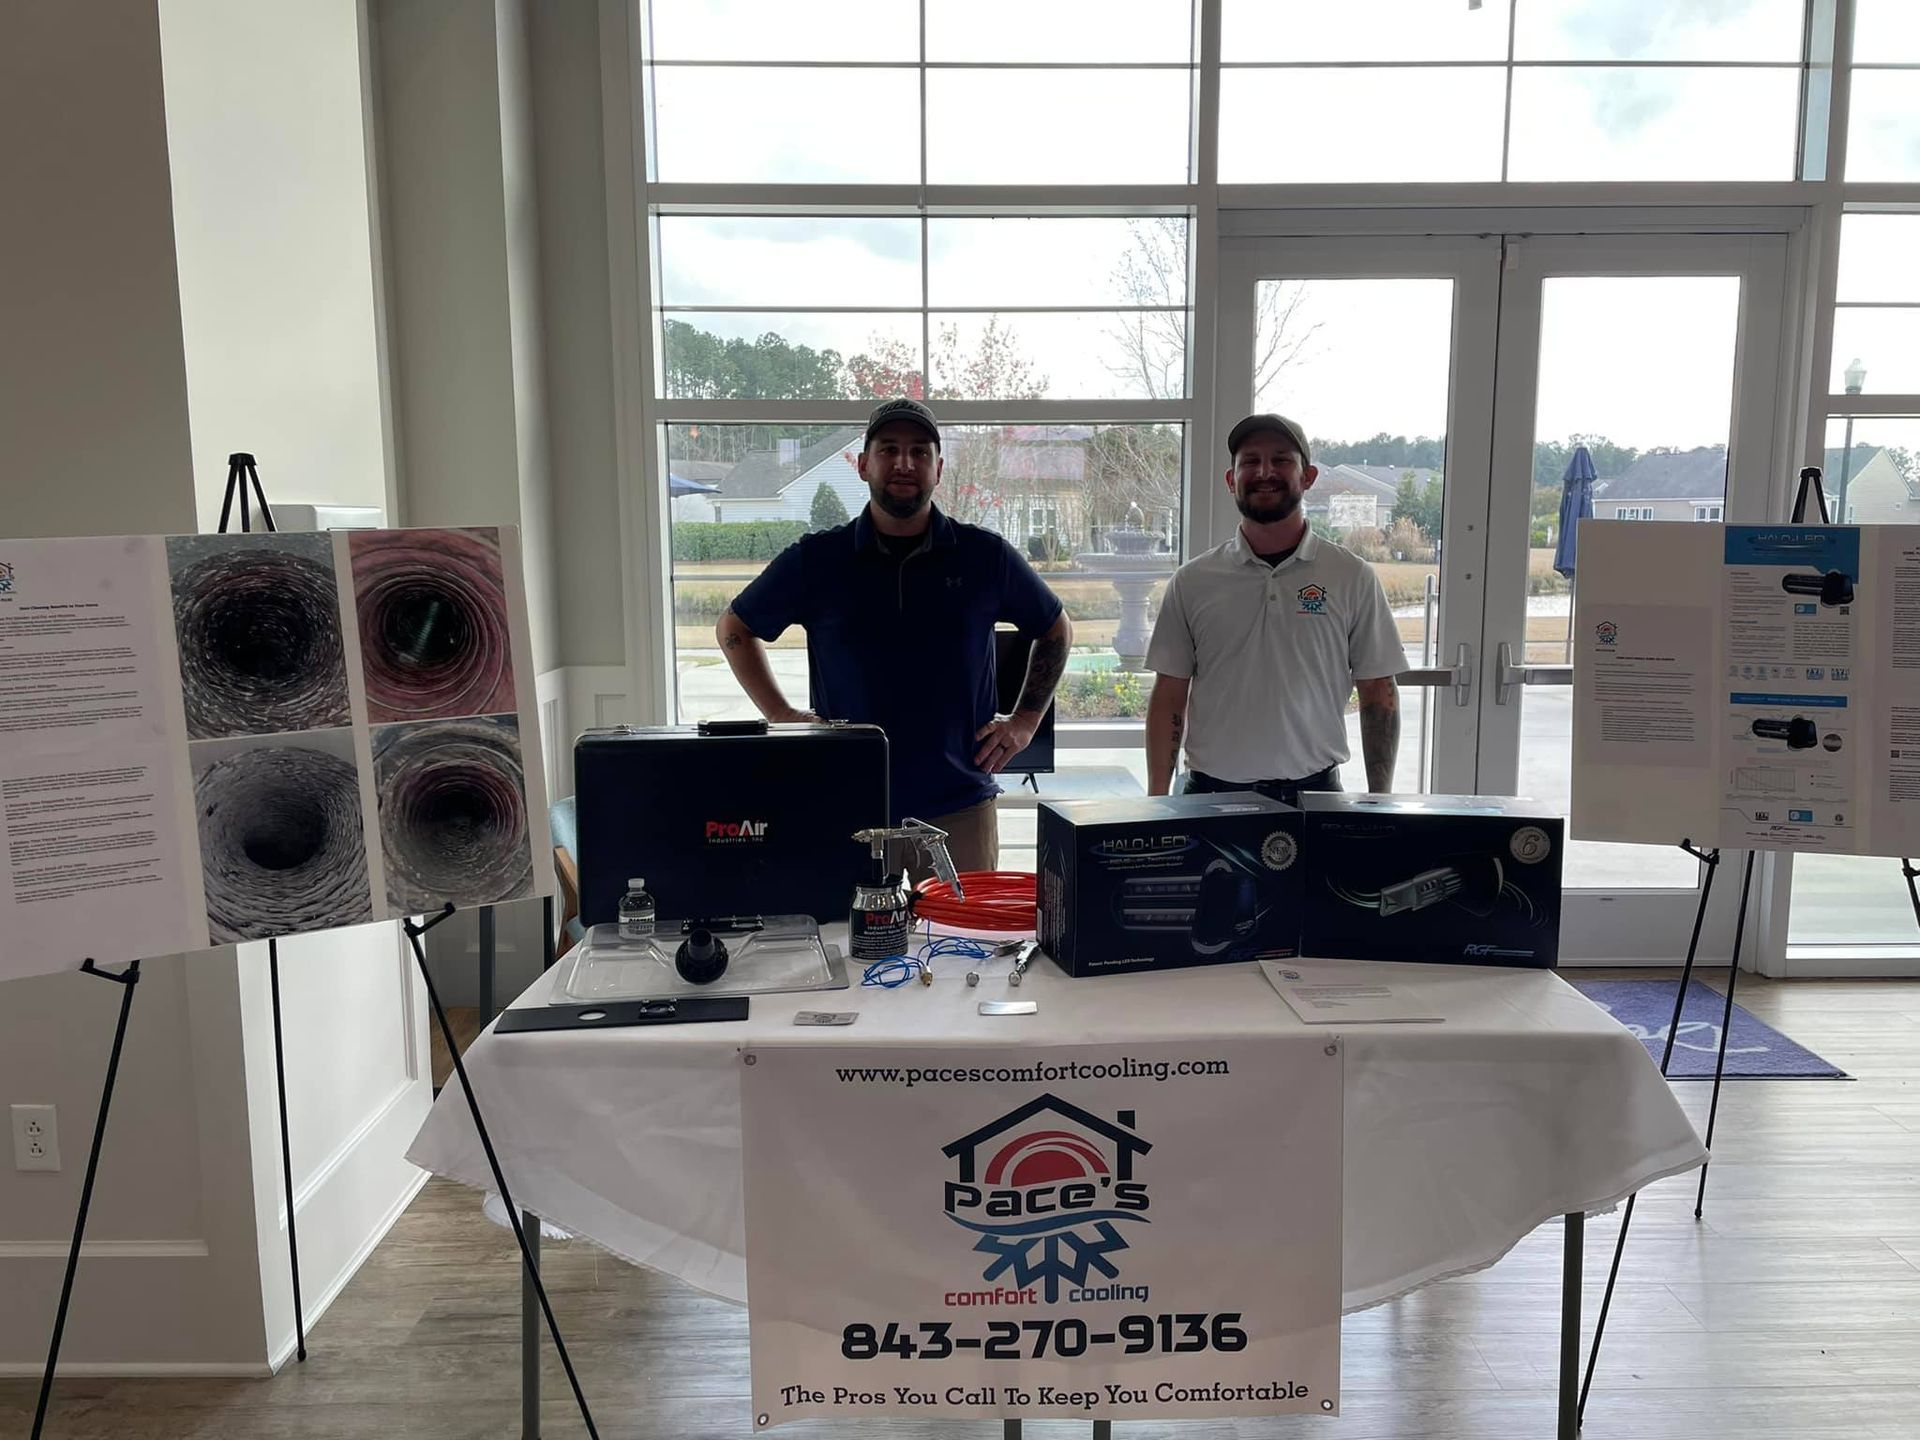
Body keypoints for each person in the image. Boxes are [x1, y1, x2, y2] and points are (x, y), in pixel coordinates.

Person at [717, 398, 1073, 874]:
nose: (904, 463)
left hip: (960, 805)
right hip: (848, 807)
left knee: (965, 945)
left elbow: (1055, 628)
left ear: (938, 469)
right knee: (847, 946)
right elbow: (734, 629)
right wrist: (782, 715)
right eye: (888, 449)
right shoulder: (818, 560)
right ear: (863, 465)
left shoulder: (985, 558)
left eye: (920, 452)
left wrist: (1026, 720)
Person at [1144, 412, 1402, 805]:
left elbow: (1378, 692)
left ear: (1308, 476)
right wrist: (1156, 802)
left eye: (1281, 459)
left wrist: (1380, 803)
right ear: (1232, 480)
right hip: (1210, 797)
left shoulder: (1351, 576)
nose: (1265, 471)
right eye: (1250, 461)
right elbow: (1168, 697)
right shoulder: (1193, 581)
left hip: (1315, 798)